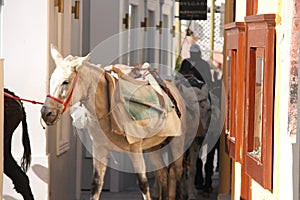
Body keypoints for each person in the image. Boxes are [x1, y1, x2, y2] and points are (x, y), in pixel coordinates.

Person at [179, 43, 219, 194]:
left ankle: (211, 123)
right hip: (190, 91)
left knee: (210, 103)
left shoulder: (200, 64)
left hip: (199, 91)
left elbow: (207, 81)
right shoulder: (188, 63)